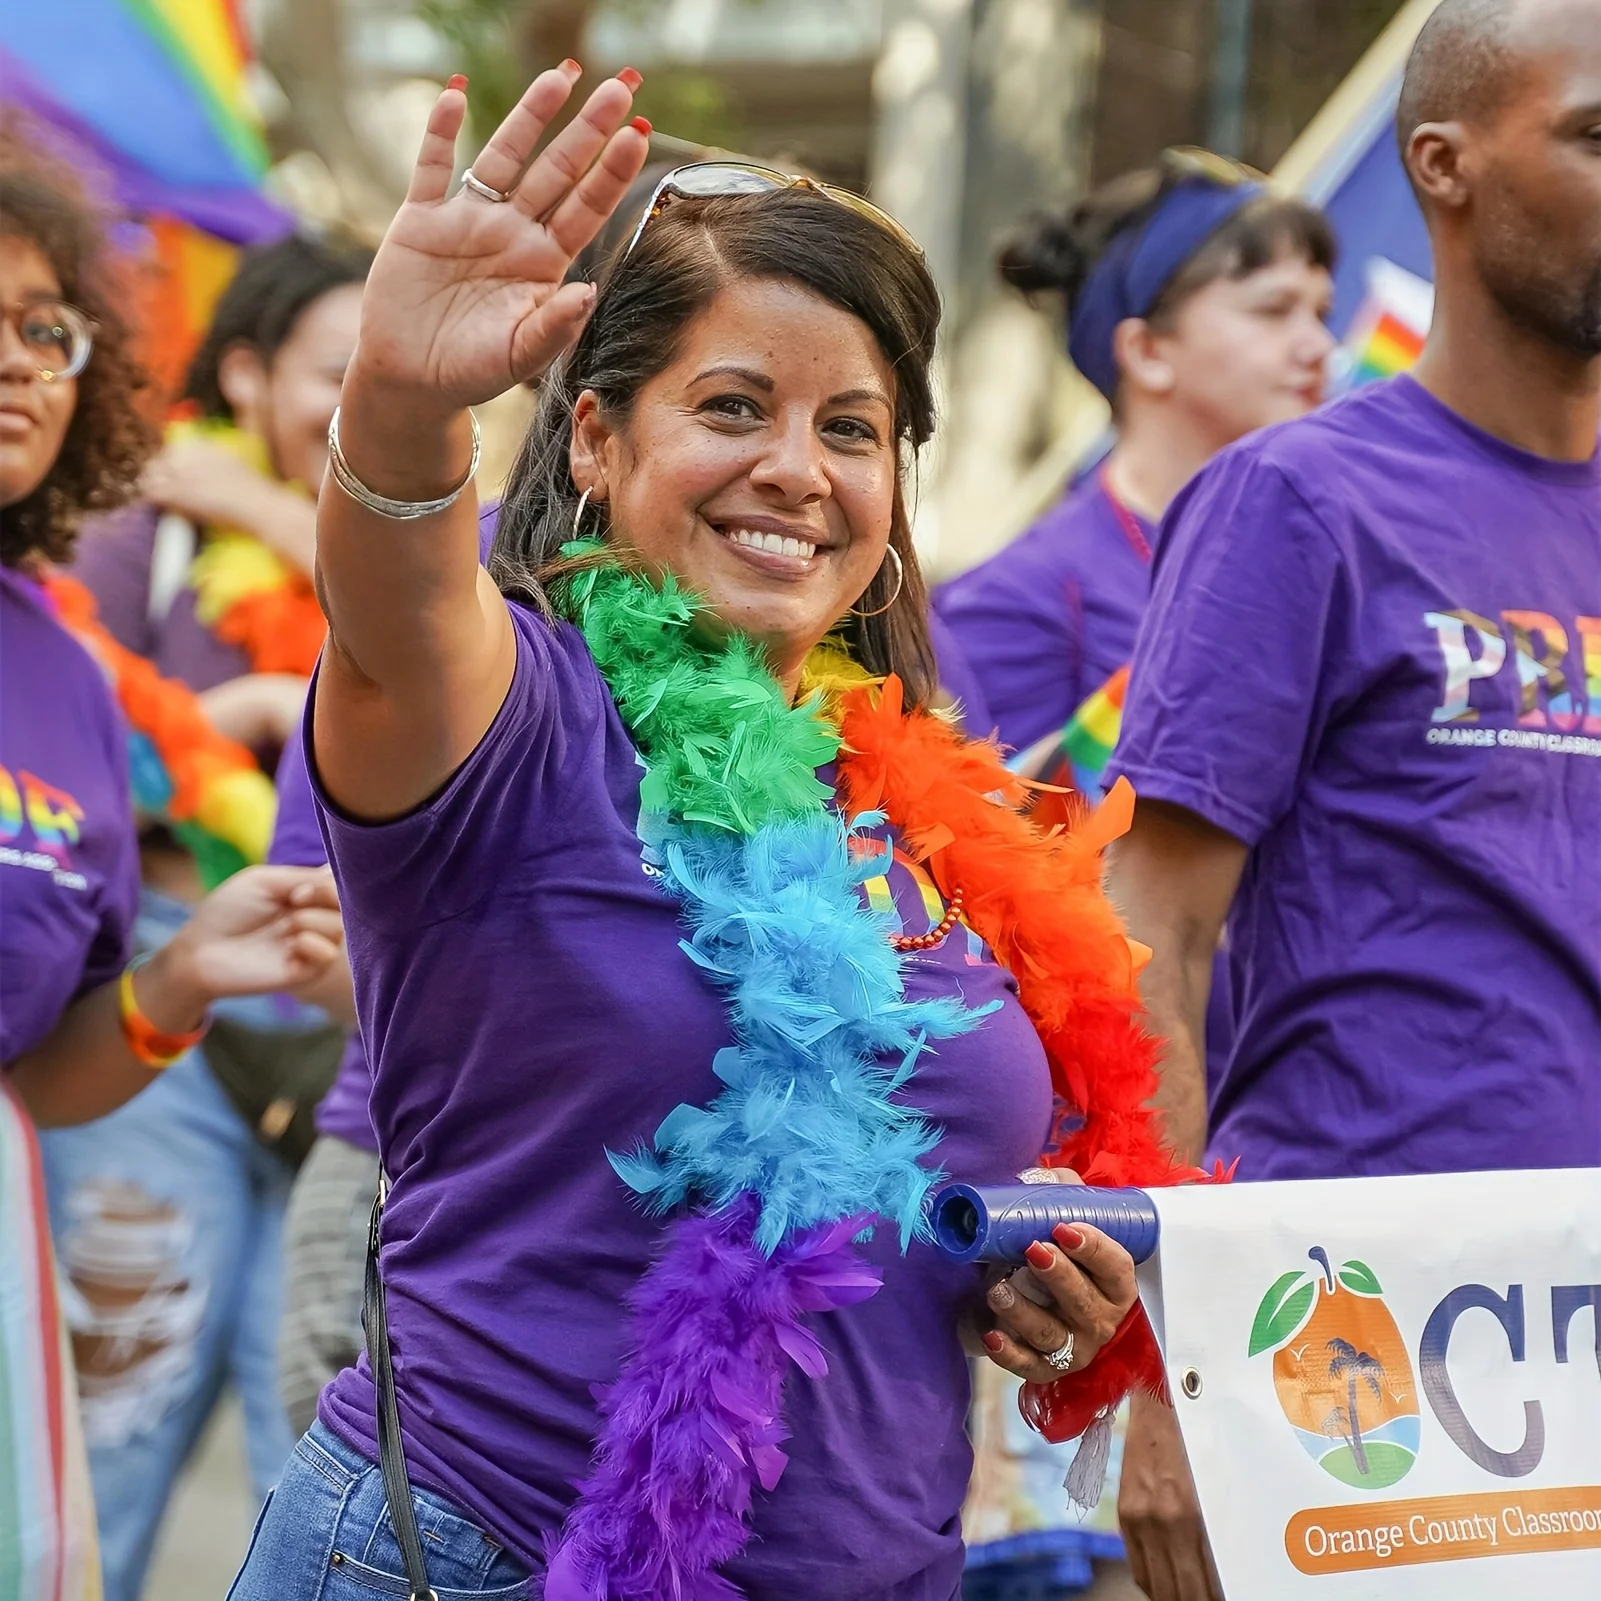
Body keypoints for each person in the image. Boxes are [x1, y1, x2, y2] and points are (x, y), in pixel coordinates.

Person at [228, 63, 1180, 1601]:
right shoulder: (517, 717)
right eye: (732, 408)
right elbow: (394, 596)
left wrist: (1027, 1278)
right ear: (594, 442)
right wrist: (400, 408)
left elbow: (903, 1195)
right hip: (486, 1560)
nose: (796, 470)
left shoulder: (912, 797)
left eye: (851, 430)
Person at [1104, 2, 1601, 1597]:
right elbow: (1151, 941)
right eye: (1597, 136)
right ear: (1441, 170)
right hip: (1357, 1358)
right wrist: (1164, 1375)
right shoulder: (1290, 502)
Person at [0, 123, 343, 1598]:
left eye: (43, 326)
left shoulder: (61, 666)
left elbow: (40, 1068)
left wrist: (186, 973)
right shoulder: (147, 581)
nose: (18, 360)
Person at [936, 149, 1335, 764]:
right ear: (1147, 351)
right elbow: (987, 841)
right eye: (1274, 310)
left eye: (1321, 312)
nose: (1318, 346)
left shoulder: (1339, 557)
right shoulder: (1020, 603)